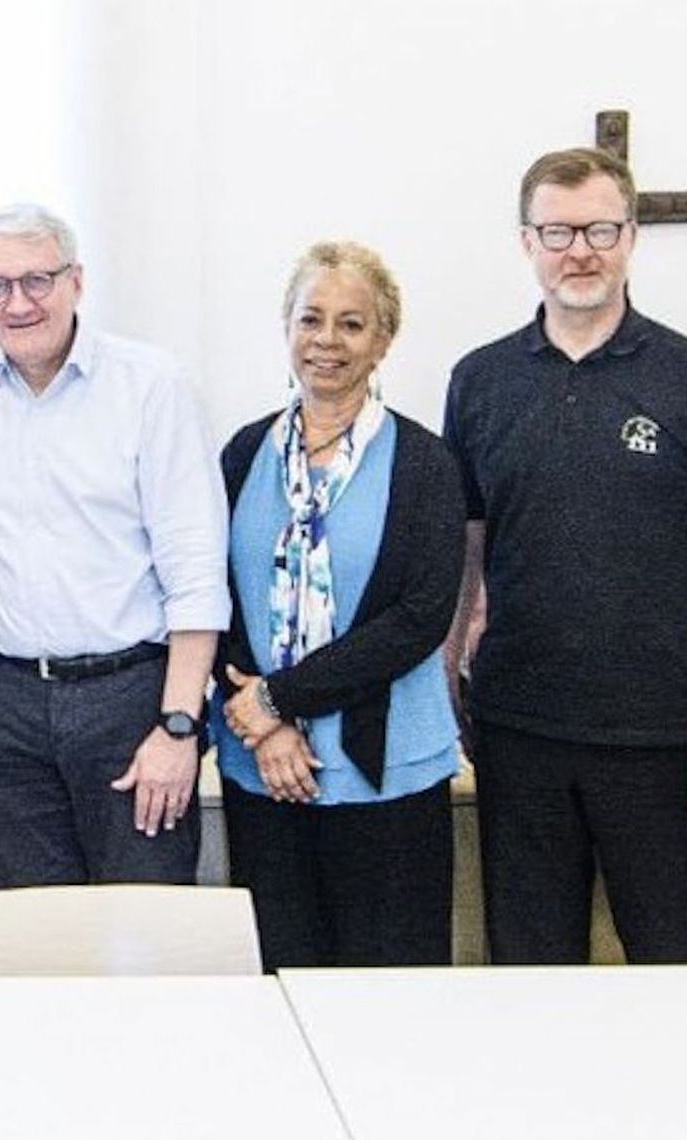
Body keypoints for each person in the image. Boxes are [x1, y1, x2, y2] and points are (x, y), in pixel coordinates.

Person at [444, 147, 687, 964]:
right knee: (530, 971)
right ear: (526, 242)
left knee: (677, 969)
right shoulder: (480, 381)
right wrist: (447, 679)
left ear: (630, 237)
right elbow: (466, 553)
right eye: (557, 231)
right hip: (518, 732)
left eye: (598, 229)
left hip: (662, 740)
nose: (579, 251)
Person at [0, 203, 229, 887]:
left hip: (129, 697)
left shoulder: (149, 386)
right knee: (31, 935)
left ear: (77, 282)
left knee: (148, 925)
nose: (18, 303)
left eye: (37, 280)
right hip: (5, 703)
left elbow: (195, 572)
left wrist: (180, 727)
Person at [213, 241, 463, 968]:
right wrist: (268, 728)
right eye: (310, 319)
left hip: (386, 773)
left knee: (391, 993)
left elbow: (419, 617)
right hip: (263, 767)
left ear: (384, 340)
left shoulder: (425, 464)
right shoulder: (242, 454)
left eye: (351, 325)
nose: (327, 341)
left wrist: (279, 700)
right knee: (281, 982)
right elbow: (213, 596)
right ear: (286, 328)